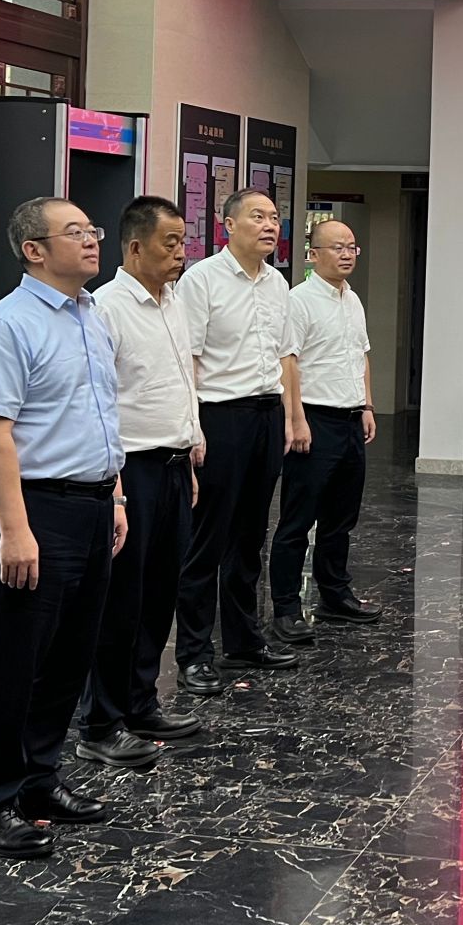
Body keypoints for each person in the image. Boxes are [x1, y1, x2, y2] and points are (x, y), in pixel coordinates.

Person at [0, 197, 140, 859]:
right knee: (15, 662)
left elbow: (99, 416)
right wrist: (15, 530)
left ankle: (38, 781)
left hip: (91, 505)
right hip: (34, 509)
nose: (92, 240)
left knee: (68, 657)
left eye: (93, 230)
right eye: (75, 232)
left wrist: (114, 497)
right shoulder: (5, 327)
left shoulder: (91, 316)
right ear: (34, 250)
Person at [81, 197, 205, 762]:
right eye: (169, 243)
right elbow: (100, 402)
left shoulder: (174, 300)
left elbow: (182, 378)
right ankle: (101, 722)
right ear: (135, 247)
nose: (180, 253)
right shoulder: (106, 308)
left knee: (159, 593)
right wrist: (115, 487)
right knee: (122, 599)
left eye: (182, 242)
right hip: (131, 469)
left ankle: (141, 701)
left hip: (174, 464)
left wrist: (192, 442)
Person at [174, 190, 300, 691]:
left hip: (267, 414)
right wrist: (193, 426)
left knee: (251, 536)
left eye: (274, 217)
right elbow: (189, 359)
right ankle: (194, 652)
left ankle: (244, 640)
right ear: (228, 225)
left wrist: (289, 418)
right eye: (258, 217)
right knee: (208, 537)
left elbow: (284, 356)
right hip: (220, 415)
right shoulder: (202, 280)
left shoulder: (277, 283)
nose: (270, 225)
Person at [272, 218, 380, 644]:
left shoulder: (352, 299)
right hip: (315, 420)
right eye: (338, 247)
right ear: (313, 254)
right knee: (298, 520)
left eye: (352, 247)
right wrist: (295, 418)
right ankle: (286, 608)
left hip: (351, 419)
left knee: (341, 518)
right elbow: (289, 362)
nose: (348, 254)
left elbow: (361, 355)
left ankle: (335, 595)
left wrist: (367, 405)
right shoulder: (299, 301)